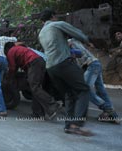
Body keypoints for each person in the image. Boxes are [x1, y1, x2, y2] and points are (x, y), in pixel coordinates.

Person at [38, 8, 93, 136]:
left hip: (51, 68)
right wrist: (87, 40)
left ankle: (68, 126)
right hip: (63, 63)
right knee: (83, 90)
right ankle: (77, 124)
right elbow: (78, 34)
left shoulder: (41, 33)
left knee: (69, 95)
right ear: (53, 16)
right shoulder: (57, 24)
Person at [4, 42, 62, 119]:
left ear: (6, 49)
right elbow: (17, 65)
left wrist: (9, 78)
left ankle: (53, 105)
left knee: (35, 87)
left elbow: (12, 68)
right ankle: (38, 113)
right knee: (36, 88)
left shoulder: (11, 51)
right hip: (40, 62)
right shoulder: (20, 49)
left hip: (34, 63)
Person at [69, 38, 119, 123]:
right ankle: (111, 115)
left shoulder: (69, 42)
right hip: (95, 64)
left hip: (90, 65)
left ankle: (108, 109)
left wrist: (70, 52)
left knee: (84, 89)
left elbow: (80, 53)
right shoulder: (73, 41)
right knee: (100, 90)